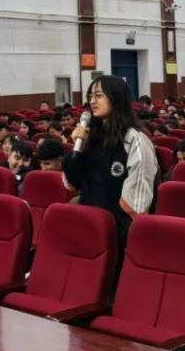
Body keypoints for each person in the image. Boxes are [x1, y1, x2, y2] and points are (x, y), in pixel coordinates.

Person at [63, 75, 158, 254]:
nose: (92, 101)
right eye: (91, 96)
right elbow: (72, 183)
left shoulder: (135, 139)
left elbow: (137, 199)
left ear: (116, 98)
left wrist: (114, 226)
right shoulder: (89, 136)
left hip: (119, 229)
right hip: (90, 223)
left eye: (99, 95)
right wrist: (78, 150)